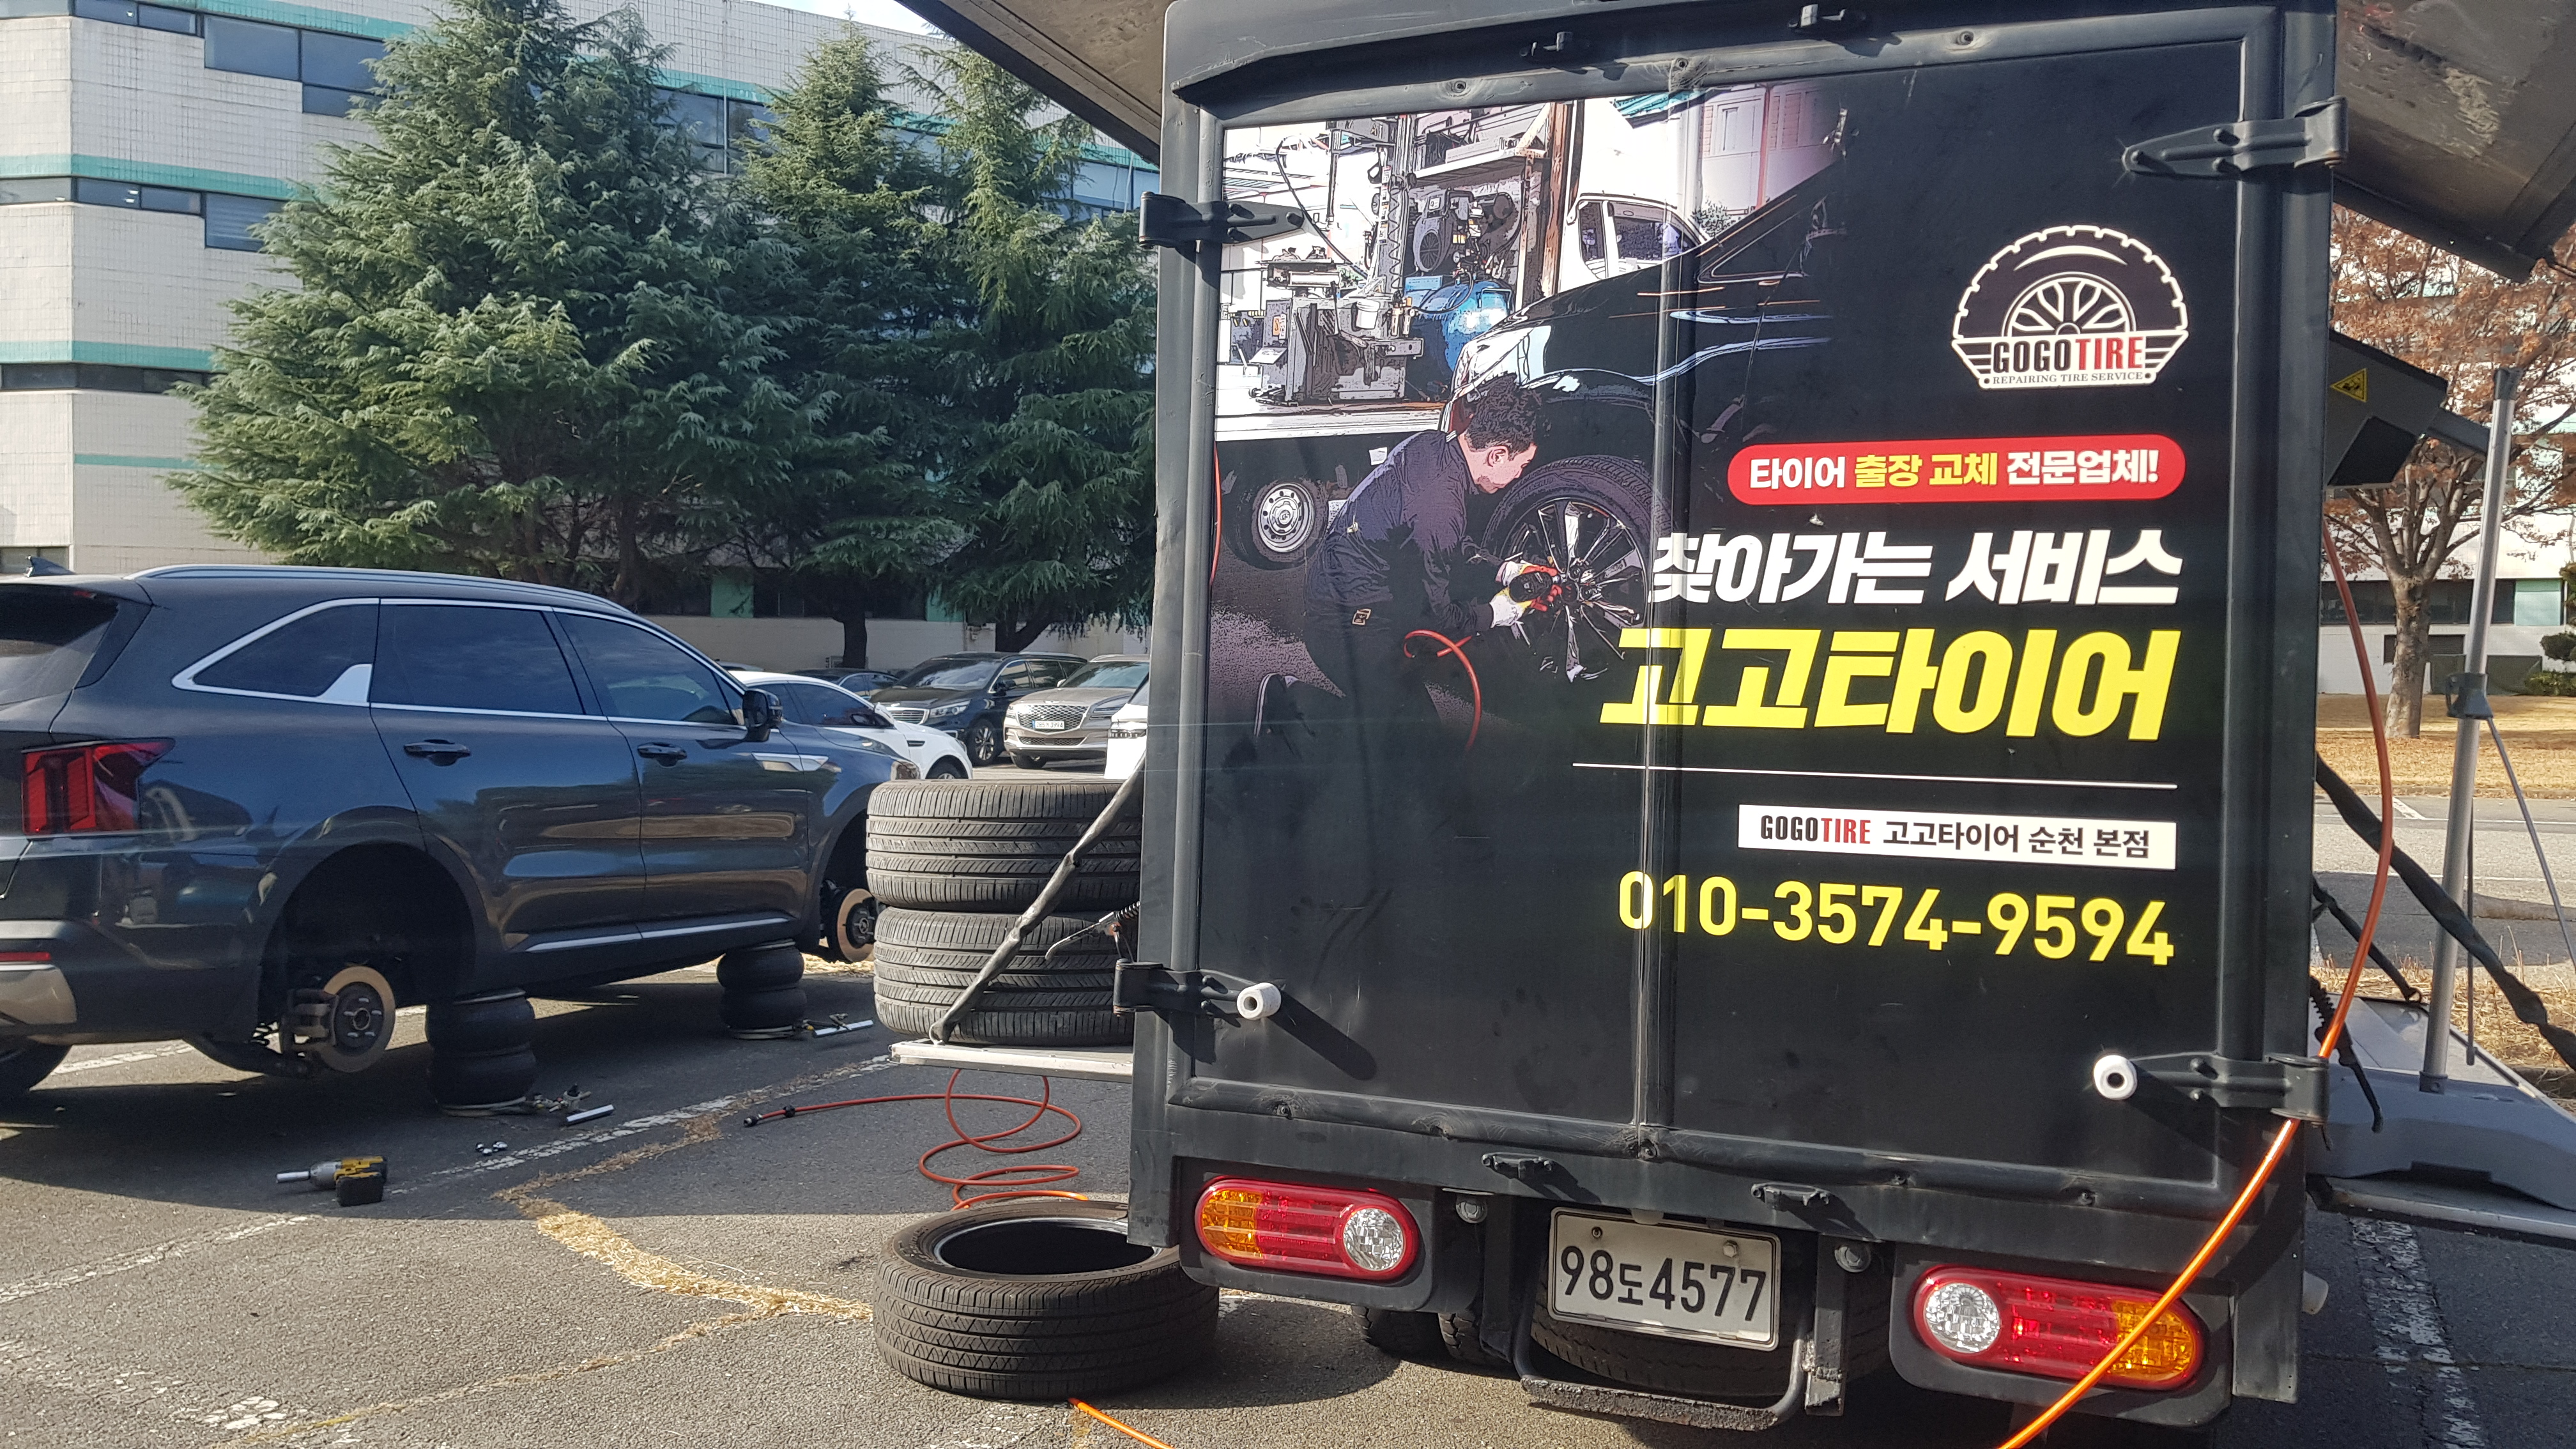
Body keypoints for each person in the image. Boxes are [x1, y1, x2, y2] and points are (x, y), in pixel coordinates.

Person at [1257, 375, 1560, 742]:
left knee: (1404, 728)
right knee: (1414, 746)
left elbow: (1443, 544)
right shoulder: (1440, 506)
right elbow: (1436, 618)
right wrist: (1497, 613)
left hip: (1344, 593)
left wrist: (1504, 571)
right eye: (1522, 465)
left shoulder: (1432, 445)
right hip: (1344, 627)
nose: (1520, 474)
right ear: (1496, 455)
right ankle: (1288, 698)